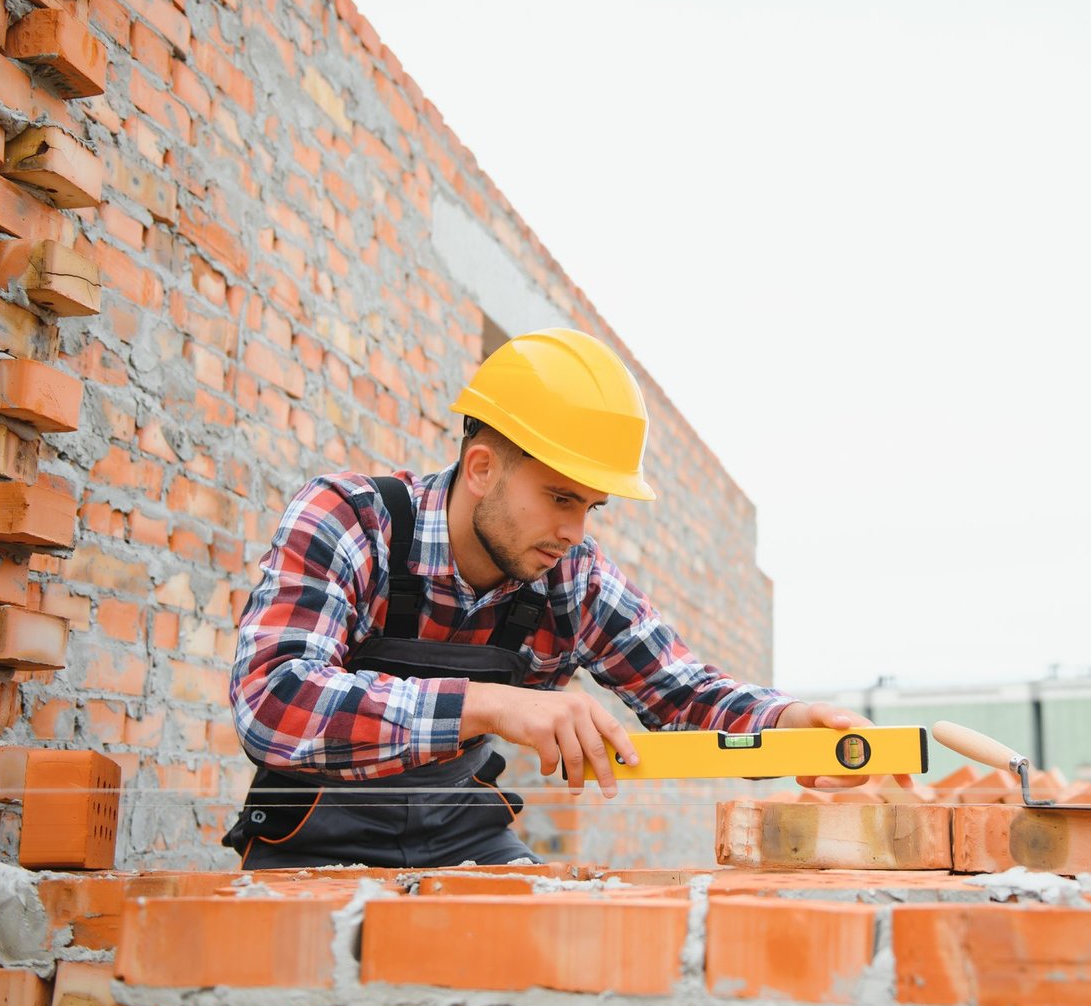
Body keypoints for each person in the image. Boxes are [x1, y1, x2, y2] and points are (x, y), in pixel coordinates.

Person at [223, 328, 885, 869]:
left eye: (591, 506)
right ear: (481, 469)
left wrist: (791, 727)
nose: (575, 531)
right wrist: (489, 704)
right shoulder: (349, 521)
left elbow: (685, 695)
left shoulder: (573, 579)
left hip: (464, 839)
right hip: (306, 841)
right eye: (560, 498)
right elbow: (272, 701)